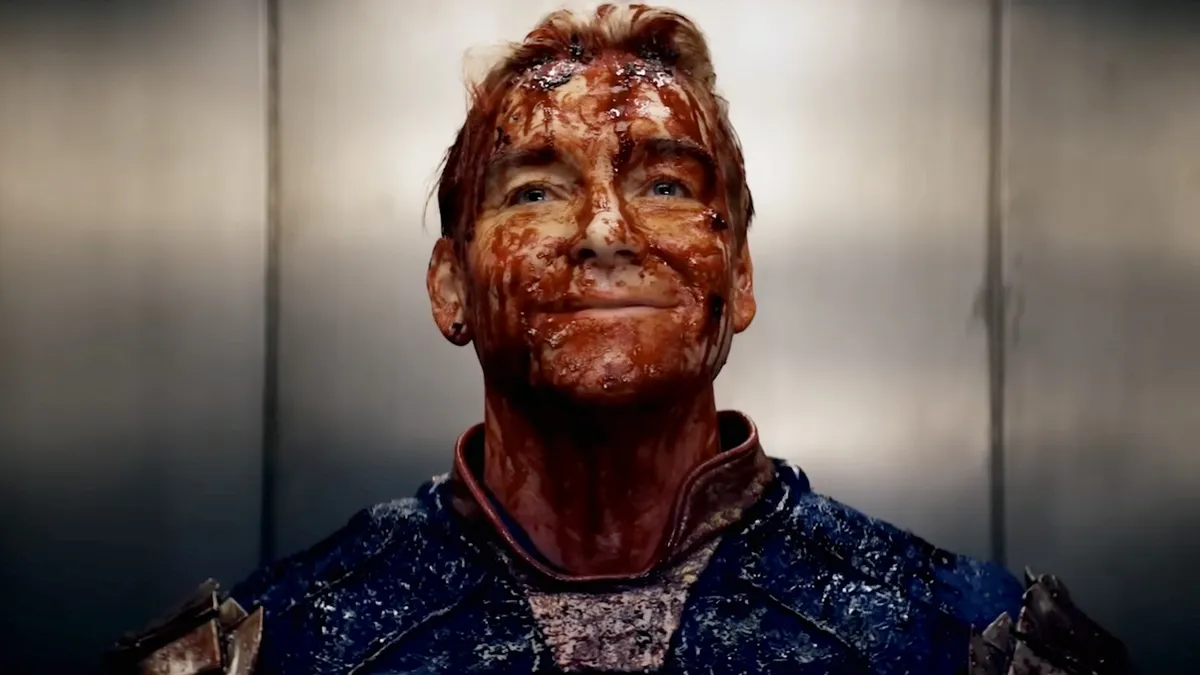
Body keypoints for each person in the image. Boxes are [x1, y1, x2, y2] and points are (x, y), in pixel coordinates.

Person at [104, 5, 1131, 674]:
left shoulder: (968, 643)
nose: (605, 231)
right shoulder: (266, 651)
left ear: (740, 275)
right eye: (535, 190)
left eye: (668, 183)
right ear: (450, 285)